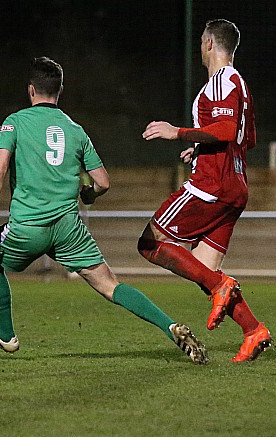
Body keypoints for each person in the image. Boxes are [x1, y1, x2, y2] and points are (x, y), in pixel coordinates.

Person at [0, 56, 207, 364]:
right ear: (60, 91)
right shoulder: (76, 130)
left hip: (28, 227)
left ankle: (6, 336)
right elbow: (102, 181)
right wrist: (88, 194)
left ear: (31, 90)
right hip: (68, 230)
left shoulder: (15, 122)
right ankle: (170, 326)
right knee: (111, 285)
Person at [139, 19, 270, 362]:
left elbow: (226, 130)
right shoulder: (241, 84)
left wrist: (177, 132)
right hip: (236, 186)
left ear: (210, 43)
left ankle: (220, 288)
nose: (200, 48)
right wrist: (199, 147)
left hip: (211, 185)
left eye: (201, 42)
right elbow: (248, 138)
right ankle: (252, 329)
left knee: (151, 242)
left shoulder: (222, 80)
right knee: (203, 266)